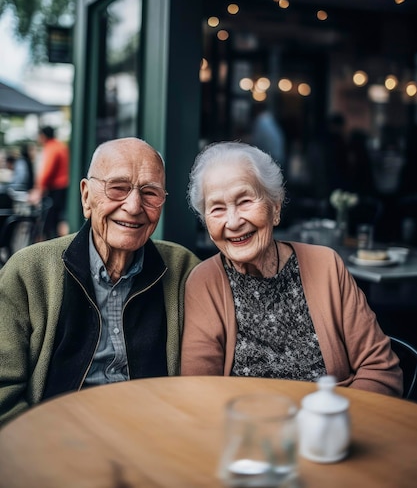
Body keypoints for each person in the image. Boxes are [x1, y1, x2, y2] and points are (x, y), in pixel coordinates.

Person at [0, 137, 200, 426]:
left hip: (154, 437)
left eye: (150, 193)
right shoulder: (29, 272)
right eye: (118, 188)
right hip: (55, 443)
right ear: (86, 197)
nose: (133, 206)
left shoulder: (182, 270)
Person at [180, 141, 403, 397]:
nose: (233, 221)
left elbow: (381, 370)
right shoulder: (203, 283)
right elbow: (200, 392)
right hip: (248, 429)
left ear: (275, 207)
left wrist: (334, 423)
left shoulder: (326, 266)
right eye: (217, 208)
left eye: (244, 201)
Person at [29, 125, 70, 239]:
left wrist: (39, 190)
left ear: (43, 136)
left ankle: (49, 247)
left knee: (48, 221)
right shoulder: (60, 146)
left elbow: (47, 171)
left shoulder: (51, 148)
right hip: (63, 187)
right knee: (57, 218)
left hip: (55, 188)